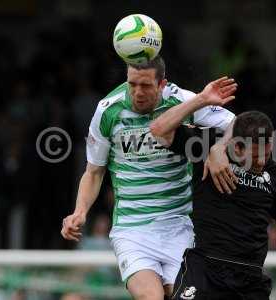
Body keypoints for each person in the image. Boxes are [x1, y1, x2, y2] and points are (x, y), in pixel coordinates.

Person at [61, 56, 237, 300]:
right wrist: (80, 211)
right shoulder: (108, 110)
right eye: (132, 84)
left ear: (162, 84)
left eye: (145, 86)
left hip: (178, 225)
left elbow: (237, 123)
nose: (137, 92)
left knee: (182, 297)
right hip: (132, 228)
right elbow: (94, 171)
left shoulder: (181, 100)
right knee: (150, 297)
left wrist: (218, 150)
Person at [150, 94, 276, 299]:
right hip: (205, 271)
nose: (262, 161)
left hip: (250, 279)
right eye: (255, 156)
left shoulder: (273, 173)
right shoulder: (206, 147)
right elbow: (159, 129)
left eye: (267, 152)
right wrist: (202, 102)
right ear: (236, 146)